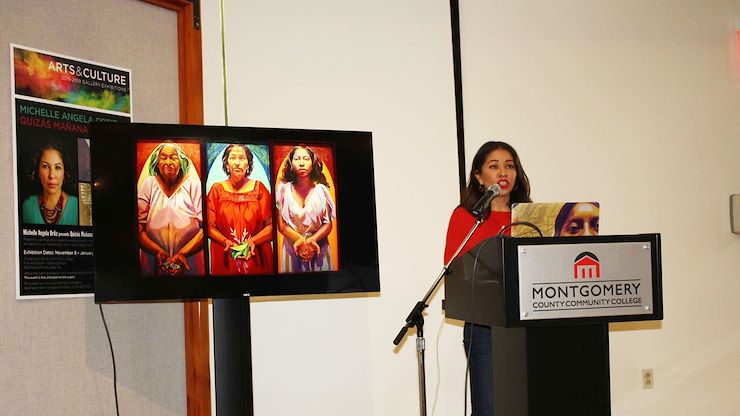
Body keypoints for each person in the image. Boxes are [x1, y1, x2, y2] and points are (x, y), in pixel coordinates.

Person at [444, 141, 531, 415]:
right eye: (494, 167)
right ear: (480, 177)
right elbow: (453, 266)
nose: (503, 172)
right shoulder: (466, 217)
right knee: (489, 408)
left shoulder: (530, 217)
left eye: (509, 166)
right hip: (484, 327)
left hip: (527, 322)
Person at [137, 141, 204, 276]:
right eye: (163, 158)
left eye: (173, 157)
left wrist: (183, 253)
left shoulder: (194, 185)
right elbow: (138, 228)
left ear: (181, 162)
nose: (168, 162)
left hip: (190, 259)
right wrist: (158, 252)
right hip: (154, 260)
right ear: (157, 162)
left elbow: (206, 228)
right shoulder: (148, 184)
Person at [207, 144, 273, 275]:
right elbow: (209, 227)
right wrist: (226, 242)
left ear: (248, 164)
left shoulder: (260, 189)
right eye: (233, 158)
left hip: (257, 257)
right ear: (226, 163)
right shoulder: (216, 190)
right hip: (226, 257)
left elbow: (271, 226)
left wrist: (252, 242)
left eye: (242, 158)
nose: (237, 163)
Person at [275, 145, 336, 272]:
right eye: (297, 159)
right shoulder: (283, 190)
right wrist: (300, 241)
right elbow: (281, 226)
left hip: (319, 246)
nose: (301, 163)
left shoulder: (321, 190)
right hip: (292, 247)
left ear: (313, 163)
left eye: (306, 159)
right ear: (291, 163)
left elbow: (327, 224)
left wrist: (312, 241)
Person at [22, 141, 79, 225]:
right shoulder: (27, 205)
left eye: (58, 167)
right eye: (45, 166)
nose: (52, 175)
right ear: (38, 172)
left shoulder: (78, 206)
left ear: (65, 172)